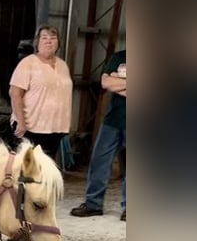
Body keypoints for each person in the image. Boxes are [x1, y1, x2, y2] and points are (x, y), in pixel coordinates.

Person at [70, 49, 127, 220]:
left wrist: (119, 81)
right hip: (112, 120)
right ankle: (93, 204)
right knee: (99, 160)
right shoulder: (119, 57)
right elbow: (106, 83)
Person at [8, 24, 74, 160]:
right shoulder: (28, 63)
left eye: (53, 38)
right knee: (28, 169)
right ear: (37, 42)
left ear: (58, 43)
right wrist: (21, 121)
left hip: (55, 127)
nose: (49, 41)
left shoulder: (63, 65)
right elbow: (15, 93)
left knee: (47, 169)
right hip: (31, 127)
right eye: (44, 38)